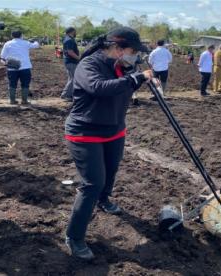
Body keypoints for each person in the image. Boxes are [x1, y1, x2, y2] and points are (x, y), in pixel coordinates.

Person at [63, 27, 153, 260]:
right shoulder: (88, 65)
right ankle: (74, 237)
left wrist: (142, 80)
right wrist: (135, 78)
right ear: (118, 48)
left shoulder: (123, 66)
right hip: (85, 132)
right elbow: (99, 88)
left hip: (114, 130)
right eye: (133, 51)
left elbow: (126, 85)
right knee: (93, 183)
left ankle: (104, 200)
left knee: (111, 170)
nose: (135, 56)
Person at [0, 29, 40, 104]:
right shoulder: (26, 43)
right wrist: (35, 40)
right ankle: (24, 101)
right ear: (21, 35)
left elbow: (2, 57)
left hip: (12, 68)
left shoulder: (7, 44)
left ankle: (12, 100)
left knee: (12, 84)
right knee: (25, 84)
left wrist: (5, 63)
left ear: (12, 36)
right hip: (24, 67)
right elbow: (36, 45)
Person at [61, 27, 80, 102]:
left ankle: (68, 94)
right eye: (75, 32)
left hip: (70, 61)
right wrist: (79, 58)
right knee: (73, 78)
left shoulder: (67, 39)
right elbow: (70, 52)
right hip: (71, 61)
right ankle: (66, 95)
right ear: (72, 32)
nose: (76, 33)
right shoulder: (69, 40)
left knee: (71, 78)